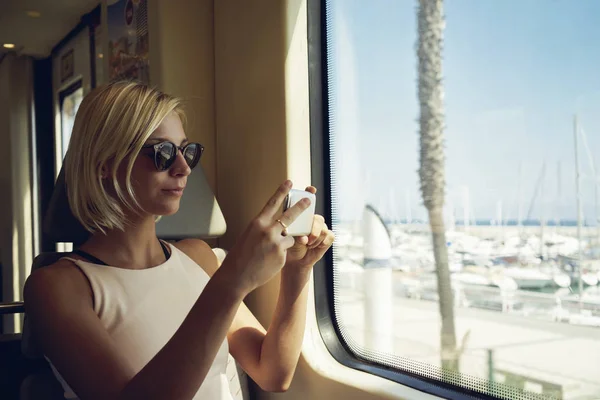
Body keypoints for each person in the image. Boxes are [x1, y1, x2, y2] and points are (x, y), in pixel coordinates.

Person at [23, 81, 335, 400]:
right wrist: (232, 282)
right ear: (104, 165)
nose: (184, 168)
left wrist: (298, 270)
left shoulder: (198, 256)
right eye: (163, 152)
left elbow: (272, 373)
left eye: (187, 151)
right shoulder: (57, 287)